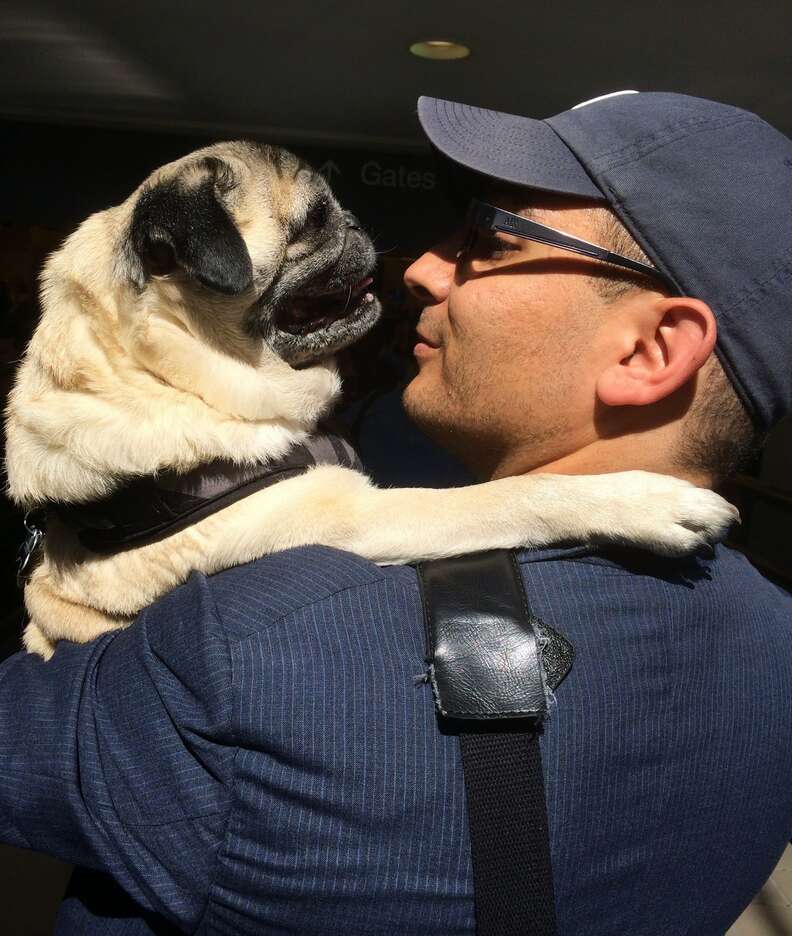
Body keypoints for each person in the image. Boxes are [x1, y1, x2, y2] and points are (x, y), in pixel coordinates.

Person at [2, 90, 792, 935]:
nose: (420, 265)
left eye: (490, 242)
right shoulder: (776, 644)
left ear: (649, 351)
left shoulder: (254, 658)